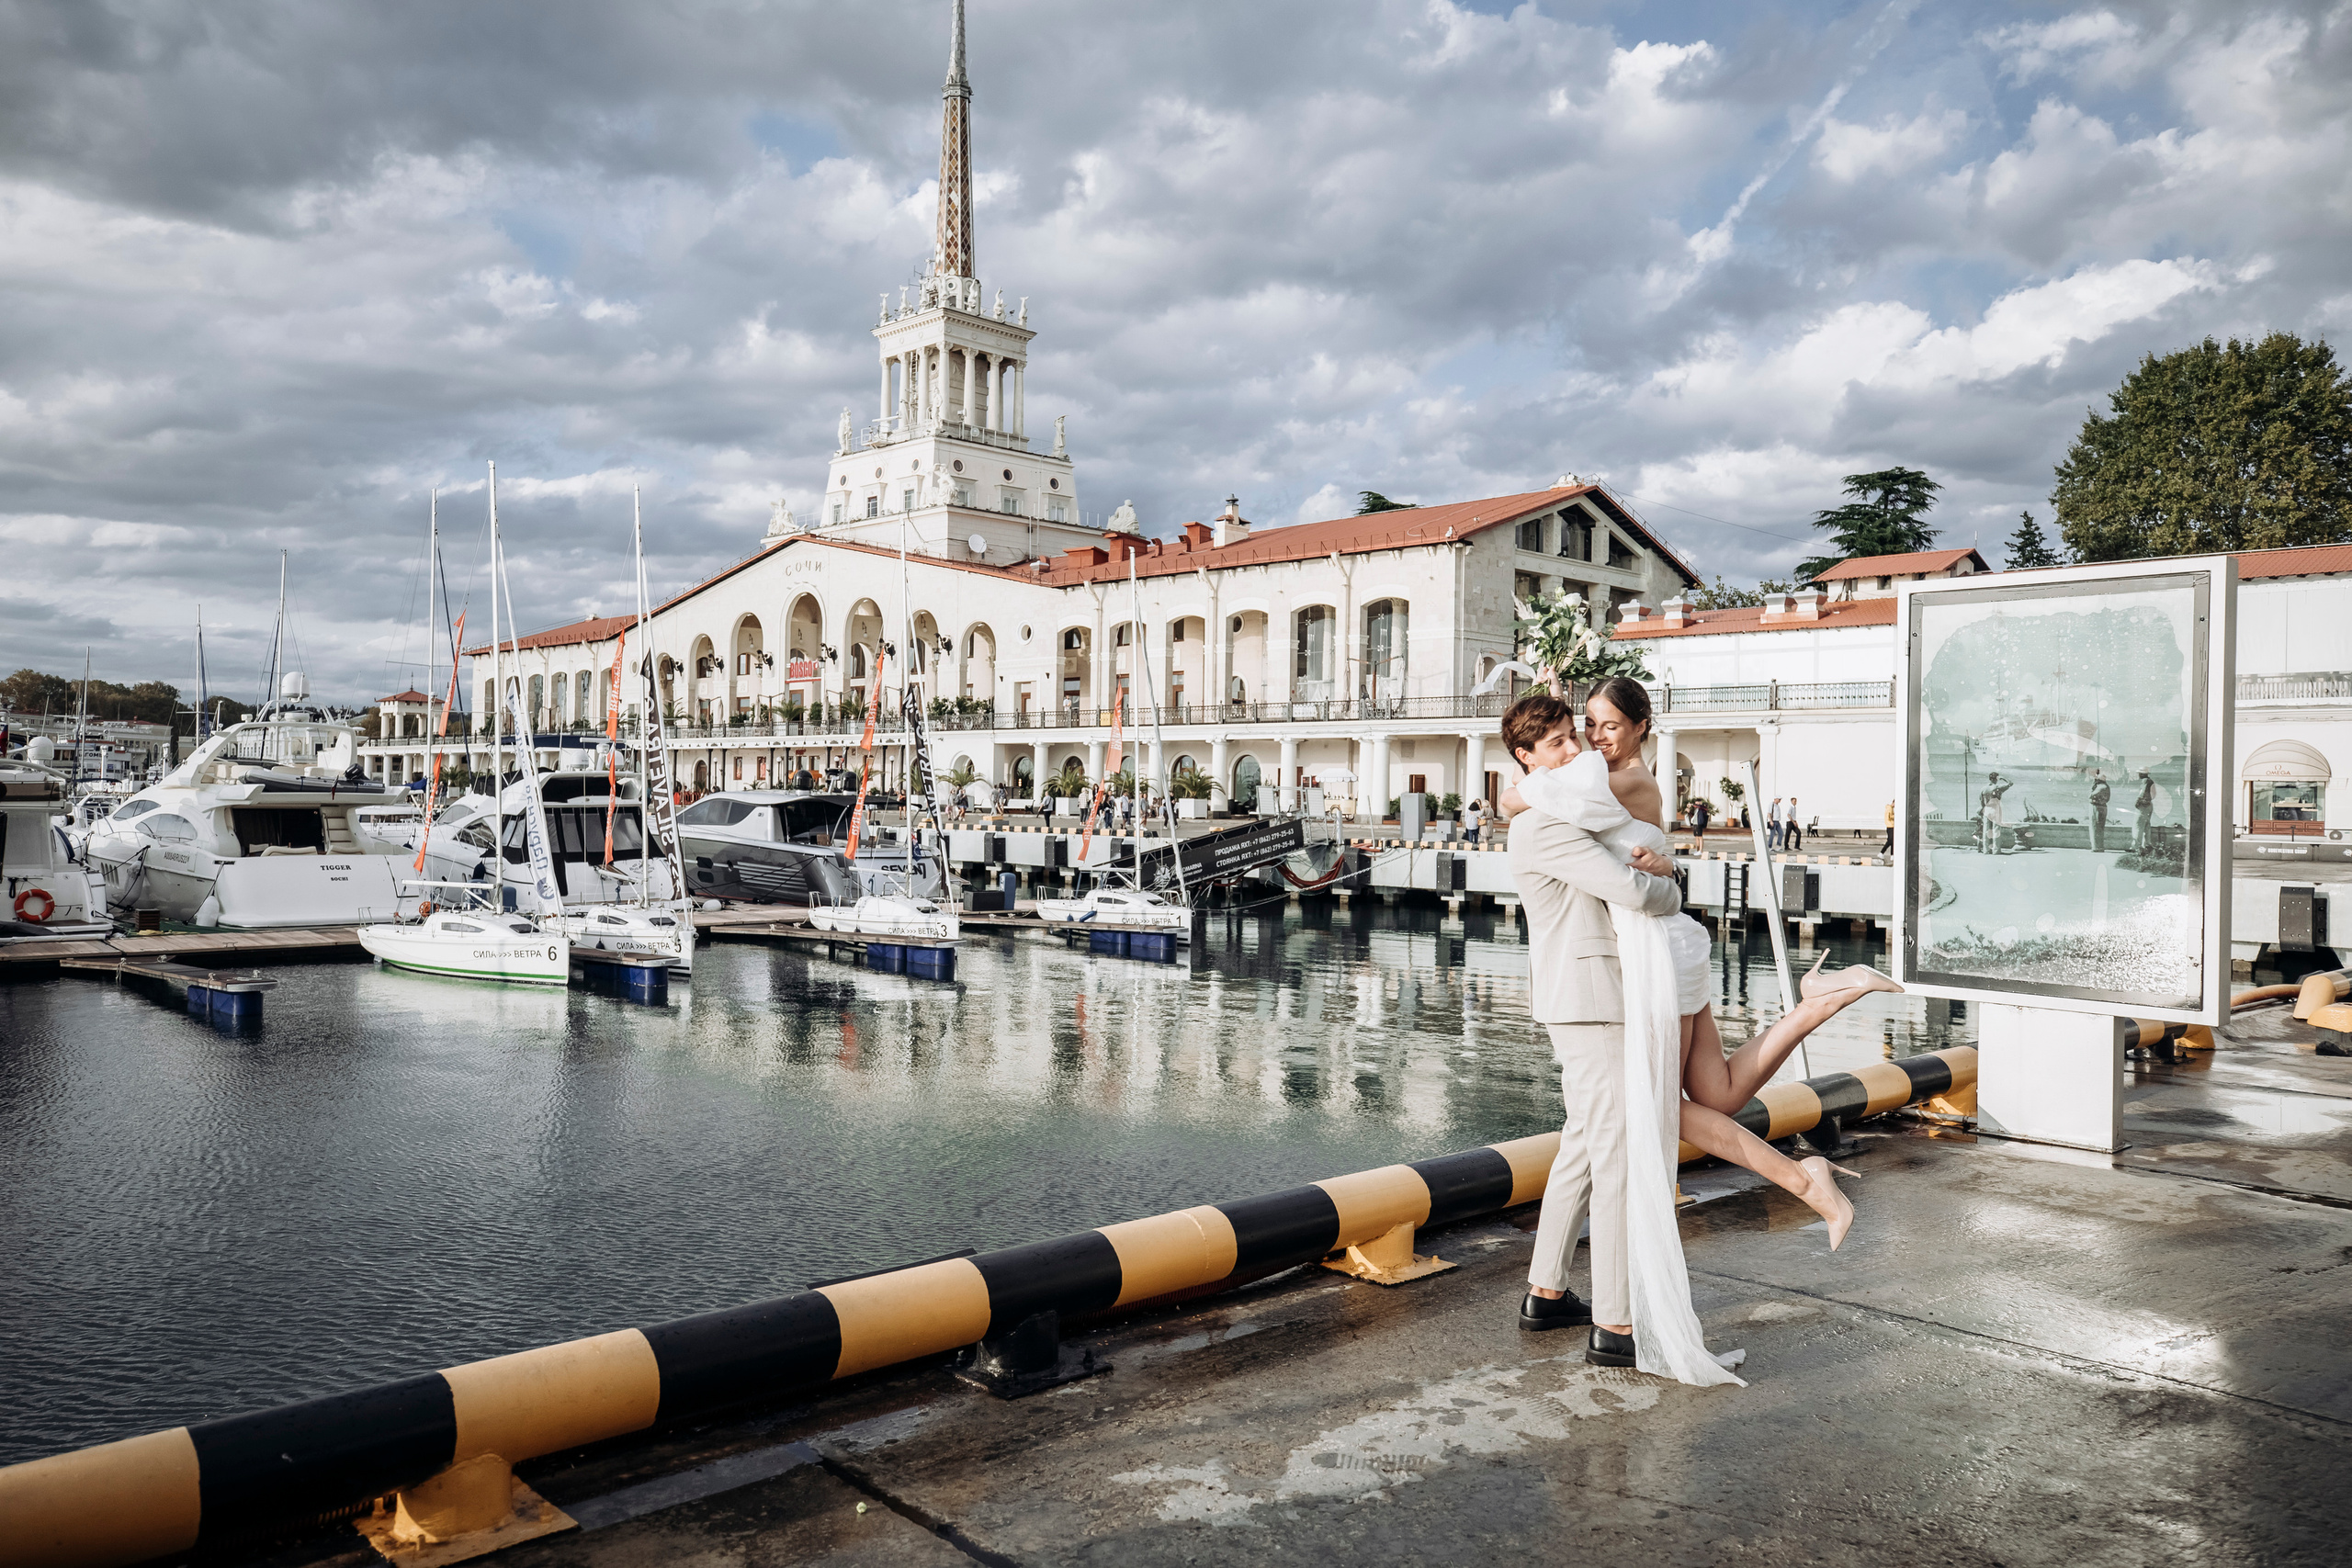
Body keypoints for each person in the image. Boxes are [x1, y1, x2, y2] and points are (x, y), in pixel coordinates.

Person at [1502, 682, 1893, 1384]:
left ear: (1641, 727)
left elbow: (1572, 817)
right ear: (1527, 755)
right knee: (1625, 1146)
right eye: (1564, 737)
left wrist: (1540, 787)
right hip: (1595, 998)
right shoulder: (1550, 818)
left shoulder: (1569, 801)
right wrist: (1672, 884)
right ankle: (1616, 1323)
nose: (1579, 746)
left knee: (1595, 1141)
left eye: (1583, 732)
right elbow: (1632, 889)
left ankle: (1547, 1290)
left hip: (1600, 990)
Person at [1979, 773, 2012, 854]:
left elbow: (1981, 801)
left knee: (1986, 831)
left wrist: (1984, 809)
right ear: (1996, 779)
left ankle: (1986, 850)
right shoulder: (1998, 787)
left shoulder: (1983, 789)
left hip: (1987, 809)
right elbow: (2010, 783)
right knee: (1996, 830)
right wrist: (2003, 777)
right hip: (1995, 809)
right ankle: (1996, 850)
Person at [2134, 770, 2156, 853]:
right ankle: (2147, 845)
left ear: (2143, 774)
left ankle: (2137, 846)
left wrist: (2138, 801)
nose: (2139, 775)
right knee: (2146, 825)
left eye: (2140, 773)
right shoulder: (2151, 781)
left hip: (2144, 805)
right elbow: (2153, 795)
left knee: (2138, 825)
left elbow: (2142, 792)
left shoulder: (2145, 781)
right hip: (2149, 804)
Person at [2088, 771, 2110, 852]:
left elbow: (2091, 795)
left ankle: (2096, 847)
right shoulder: (2106, 786)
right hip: (2102, 807)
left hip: (2097, 807)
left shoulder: (2101, 787)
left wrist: (2093, 784)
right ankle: (2099, 846)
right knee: (2100, 828)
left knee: (2095, 827)